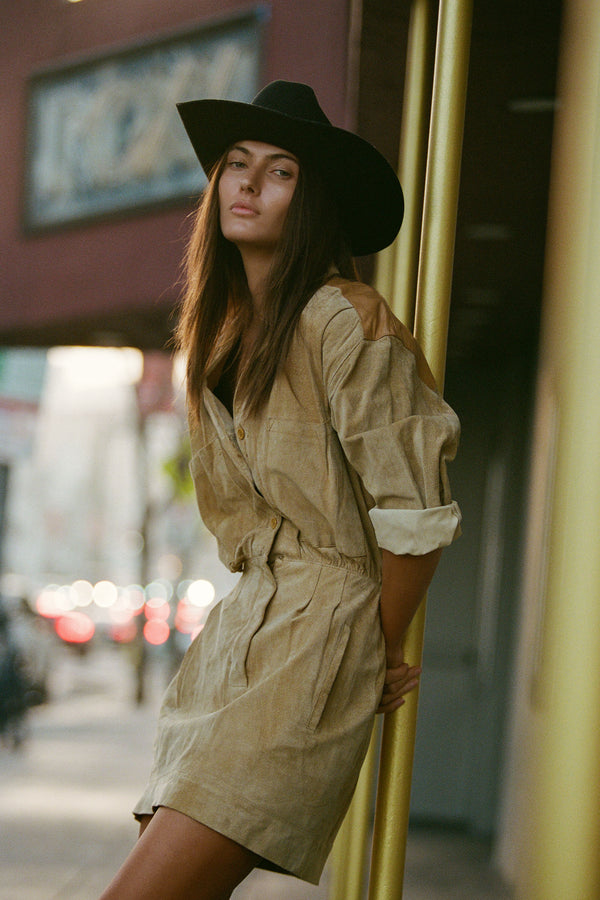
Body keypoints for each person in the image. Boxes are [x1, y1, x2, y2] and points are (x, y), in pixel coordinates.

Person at [99, 80, 461, 900]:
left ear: (311, 201)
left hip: (315, 643)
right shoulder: (221, 334)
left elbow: (416, 514)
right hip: (236, 642)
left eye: (281, 171)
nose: (249, 184)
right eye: (235, 165)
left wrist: (378, 644)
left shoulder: (344, 322)